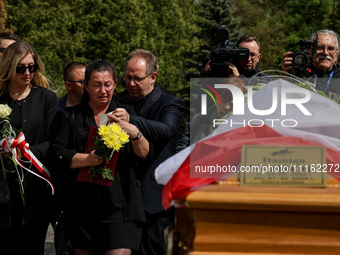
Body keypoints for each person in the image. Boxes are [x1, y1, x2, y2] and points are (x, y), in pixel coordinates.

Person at [52, 59, 152, 255]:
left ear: (115, 83)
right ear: (86, 85)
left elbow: (145, 154)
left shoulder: (128, 112)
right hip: (81, 208)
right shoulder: (69, 116)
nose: (103, 90)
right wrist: (87, 159)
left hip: (119, 208)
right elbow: (57, 155)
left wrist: (134, 132)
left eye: (107, 84)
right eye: (96, 85)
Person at [119, 49, 184, 255]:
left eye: (137, 79)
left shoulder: (171, 103)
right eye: (127, 78)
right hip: (124, 200)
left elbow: (167, 129)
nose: (131, 84)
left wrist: (131, 120)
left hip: (155, 201)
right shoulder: (121, 101)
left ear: (153, 77)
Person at [0, 41, 58, 255]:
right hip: (4, 190)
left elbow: (52, 141)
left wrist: (25, 151)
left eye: (31, 67)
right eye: (21, 68)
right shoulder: (0, 99)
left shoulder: (47, 98)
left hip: (37, 186)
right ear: (8, 67)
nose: (27, 72)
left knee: (33, 248)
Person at [282, 29, 340, 103]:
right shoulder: (299, 74)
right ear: (309, 51)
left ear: (337, 53)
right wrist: (286, 76)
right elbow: (283, 102)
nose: (325, 53)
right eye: (319, 48)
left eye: (331, 48)